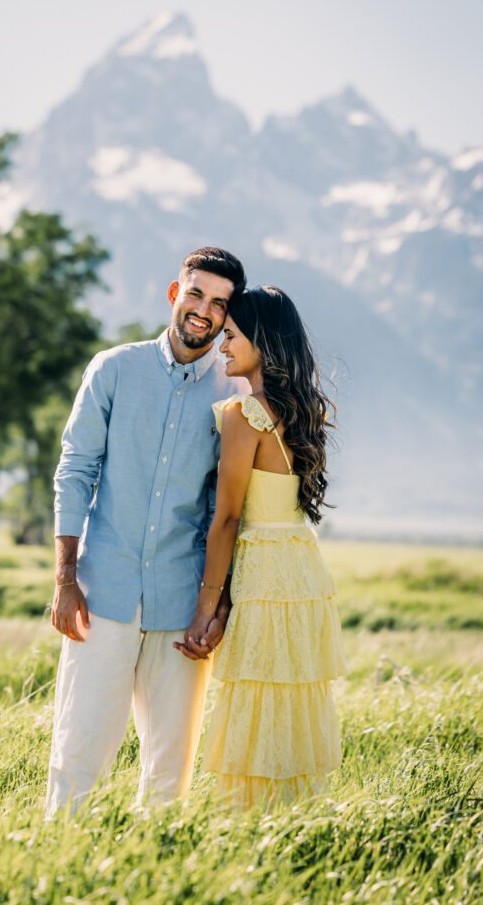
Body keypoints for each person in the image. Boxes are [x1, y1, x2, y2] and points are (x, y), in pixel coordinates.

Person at [46, 247, 247, 817]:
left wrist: (218, 604)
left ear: (227, 317)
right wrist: (65, 579)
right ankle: (55, 865)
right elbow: (75, 470)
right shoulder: (113, 369)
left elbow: (226, 512)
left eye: (218, 303)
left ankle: (152, 873)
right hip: (101, 593)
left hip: (182, 605)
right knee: (76, 753)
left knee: (168, 771)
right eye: (196, 294)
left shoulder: (233, 398)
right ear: (173, 294)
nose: (203, 310)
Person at [177, 285, 347, 812]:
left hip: (265, 573)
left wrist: (206, 609)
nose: (223, 347)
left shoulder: (243, 413)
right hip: (301, 569)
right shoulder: (302, 410)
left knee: (255, 697)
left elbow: (227, 519)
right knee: (289, 699)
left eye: (230, 336)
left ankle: (249, 821)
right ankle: (292, 817)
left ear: (261, 341)